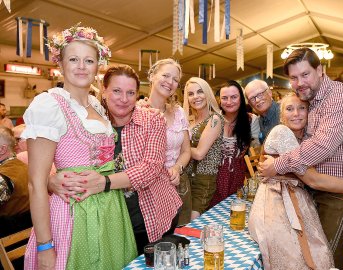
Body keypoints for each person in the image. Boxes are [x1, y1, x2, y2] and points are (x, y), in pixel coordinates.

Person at [22, 25, 136, 270]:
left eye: (89, 60)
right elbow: (35, 183)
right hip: (73, 215)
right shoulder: (49, 105)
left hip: (111, 210)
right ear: (61, 65)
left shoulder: (97, 105)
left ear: (98, 67)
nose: (81, 66)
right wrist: (45, 245)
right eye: (73, 59)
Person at [49, 65, 182, 254]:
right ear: (104, 91)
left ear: (137, 95)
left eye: (131, 92)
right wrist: (51, 179)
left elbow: (151, 167)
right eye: (117, 91)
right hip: (111, 220)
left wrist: (104, 182)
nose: (124, 99)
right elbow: (68, 157)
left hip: (153, 214)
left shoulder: (152, 118)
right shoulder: (89, 122)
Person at [259, 48, 343, 269]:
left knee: (324, 261)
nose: (300, 83)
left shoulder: (339, 96)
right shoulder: (314, 99)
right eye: (293, 77)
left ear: (320, 70)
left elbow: (322, 146)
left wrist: (278, 165)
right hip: (321, 188)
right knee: (307, 255)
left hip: (342, 195)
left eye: (305, 74)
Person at [145, 58, 191, 225]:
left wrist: (177, 168)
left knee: (182, 237)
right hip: (149, 190)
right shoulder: (137, 111)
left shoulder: (179, 112)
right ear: (152, 76)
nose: (170, 82)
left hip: (178, 185)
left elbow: (186, 150)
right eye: (166, 75)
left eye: (175, 80)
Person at [183, 77, 224, 220]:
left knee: (192, 222)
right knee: (183, 223)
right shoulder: (190, 120)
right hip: (186, 178)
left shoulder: (215, 119)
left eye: (200, 92)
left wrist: (178, 147)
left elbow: (200, 154)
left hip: (202, 180)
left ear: (207, 93)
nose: (196, 97)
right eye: (191, 94)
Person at [209, 80, 252, 206]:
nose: (229, 102)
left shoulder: (250, 120)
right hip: (212, 177)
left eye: (234, 97)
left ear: (241, 98)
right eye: (224, 98)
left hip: (236, 178)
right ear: (219, 100)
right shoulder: (213, 120)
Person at [0, 126, 31, 237]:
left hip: (6, 239)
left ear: (2, 149)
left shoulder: (3, 176)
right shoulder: (24, 167)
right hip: (23, 237)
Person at [244, 80, 280, 144]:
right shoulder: (258, 121)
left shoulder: (284, 113)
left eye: (260, 94)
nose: (257, 100)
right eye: (252, 98)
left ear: (269, 93)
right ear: (249, 104)